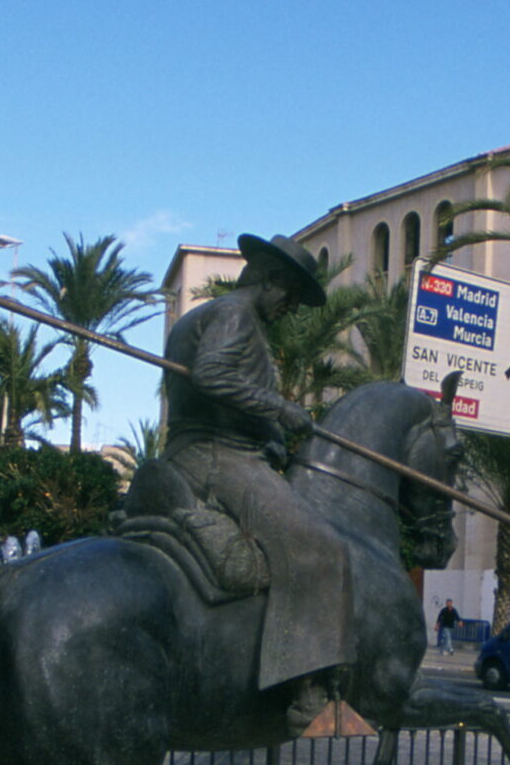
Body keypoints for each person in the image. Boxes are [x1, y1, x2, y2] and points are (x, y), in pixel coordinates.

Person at [131, 233, 356, 733]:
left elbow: (222, 391)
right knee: (320, 548)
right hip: (215, 457)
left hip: (217, 448)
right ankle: (306, 692)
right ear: (271, 282)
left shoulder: (223, 316)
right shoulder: (235, 315)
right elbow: (211, 375)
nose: (291, 309)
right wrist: (280, 408)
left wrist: (271, 434)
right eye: (291, 297)